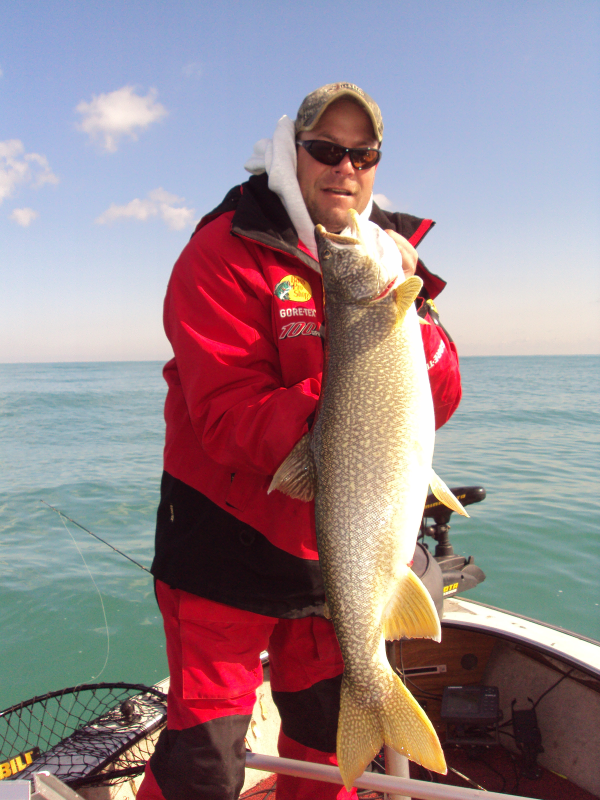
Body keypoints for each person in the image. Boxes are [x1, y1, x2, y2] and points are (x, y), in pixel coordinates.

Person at [136, 83, 462, 800]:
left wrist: (420, 327)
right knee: (205, 758)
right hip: (221, 544)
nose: (345, 166)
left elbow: (438, 399)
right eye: (325, 149)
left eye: (362, 153)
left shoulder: (391, 264)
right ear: (293, 152)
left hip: (333, 550)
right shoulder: (222, 252)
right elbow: (226, 416)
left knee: (323, 738)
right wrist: (350, 401)